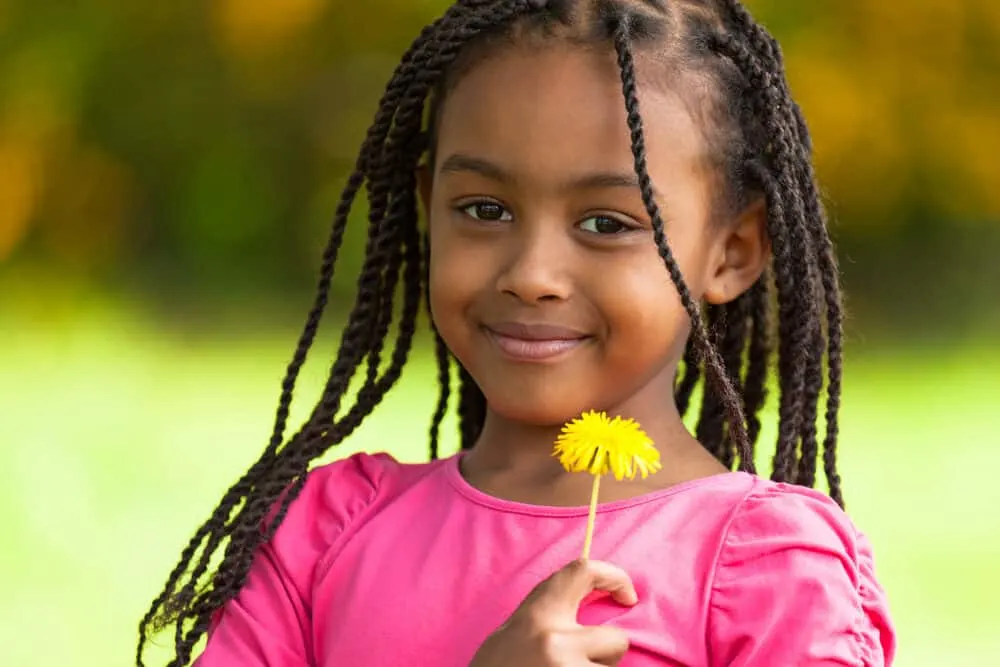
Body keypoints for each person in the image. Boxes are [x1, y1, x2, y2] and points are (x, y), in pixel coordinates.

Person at [136, 0, 897, 665]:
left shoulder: (761, 573)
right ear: (428, 203)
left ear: (731, 252)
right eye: (484, 209)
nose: (532, 272)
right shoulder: (318, 539)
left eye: (607, 223)